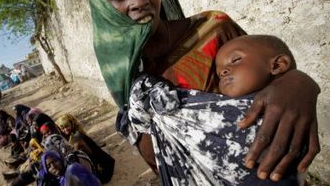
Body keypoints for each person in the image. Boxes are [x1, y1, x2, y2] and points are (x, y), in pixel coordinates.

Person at [85, 0, 320, 183]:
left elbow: (273, 74)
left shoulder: (214, 30)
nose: (140, 1)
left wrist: (299, 82)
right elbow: (164, 162)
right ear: (102, 8)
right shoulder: (130, 84)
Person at [128, 35, 306, 184]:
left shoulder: (289, 107)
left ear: (278, 65)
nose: (224, 72)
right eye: (219, 73)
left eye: (235, 60)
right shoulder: (213, 109)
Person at [56, 114, 115, 183]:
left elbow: (90, 152)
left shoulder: (76, 137)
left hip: (96, 162)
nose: (65, 129)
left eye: (67, 126)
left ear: (71, 124)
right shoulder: (73, 134)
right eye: (62, 128)